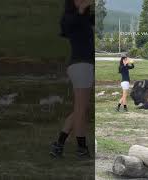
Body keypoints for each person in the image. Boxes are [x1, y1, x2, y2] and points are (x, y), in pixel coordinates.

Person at [50, 0, 93, 158]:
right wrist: (81, 9)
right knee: (81, 110)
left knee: (80, 109)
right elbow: (70, 24)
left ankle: (59, 145)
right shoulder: (70, 18)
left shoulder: (84, 19)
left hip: (82, 66)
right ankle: (81, 149)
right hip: (81, 65)